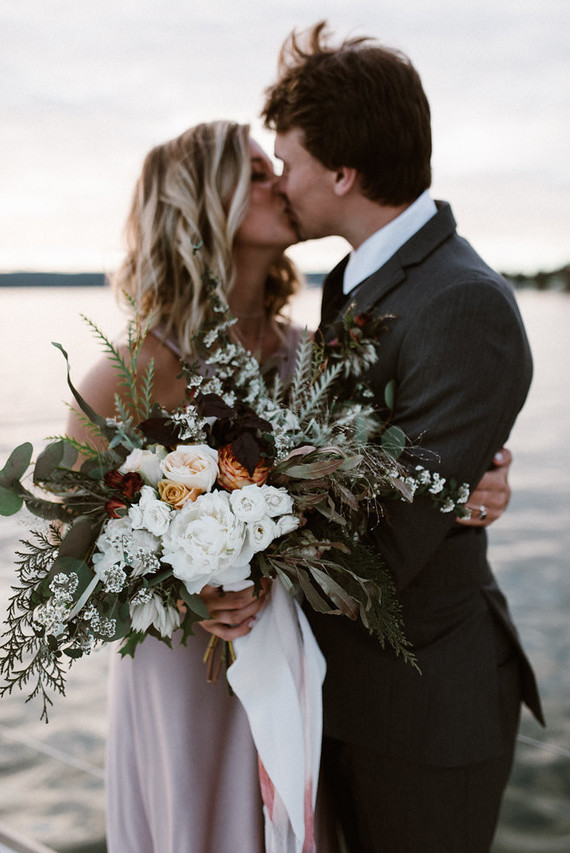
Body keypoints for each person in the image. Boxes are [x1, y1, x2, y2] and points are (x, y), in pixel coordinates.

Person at [67, 120, 514, 852]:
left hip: (297, 662)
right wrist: (188, 590)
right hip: (188, 674)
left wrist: (478, 484)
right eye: (256, 170)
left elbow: (392, 473)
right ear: (202, 200)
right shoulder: (128, 372)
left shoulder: (309, 355)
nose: (283, 177)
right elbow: (73, 545)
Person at [259, 21, 544, 853]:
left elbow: (382, 547)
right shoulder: (360, 280)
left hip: (425, 716)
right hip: (349, 694)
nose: (281, 182)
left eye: (289, 164)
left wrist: (212, 529)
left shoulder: (463, 304)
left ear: (343, 173)